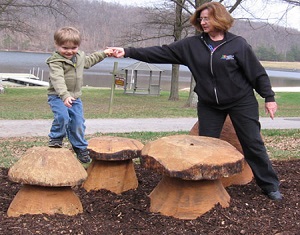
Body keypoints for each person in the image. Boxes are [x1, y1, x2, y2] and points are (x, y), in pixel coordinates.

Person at [110, 2, 282, 200]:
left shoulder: (238, 44)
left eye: (207, 18)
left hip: (241, 101)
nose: (203, 21)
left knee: (252, 143)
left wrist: (269, 97)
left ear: (220, 18)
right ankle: (205, 185)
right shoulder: (192, 45)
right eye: (201, 18)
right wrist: (127, 51)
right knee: (205, 145)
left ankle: (270, 186)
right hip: (210, 104)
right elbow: (160, 52)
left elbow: (257, 73)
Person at [46, 26, 113, 164]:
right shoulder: (55, 62)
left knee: (78, 123)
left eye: (74, 47)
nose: (69, 51)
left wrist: (105, 53)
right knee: (63, 117)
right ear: (57, 45)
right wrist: (64, 95)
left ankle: (80, 148)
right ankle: (56, 139)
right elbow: (57, 79)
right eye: (65, 48)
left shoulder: (80, 57)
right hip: (58, 96)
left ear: (78, 46)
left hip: (75, 97)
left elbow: (91, 59)